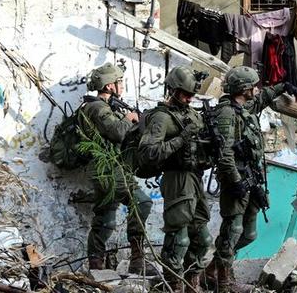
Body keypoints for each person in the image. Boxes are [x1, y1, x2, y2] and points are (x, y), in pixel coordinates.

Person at [204, 66, 297, 292]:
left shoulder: (243, 107)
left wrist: (282, 86)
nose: (256, 89)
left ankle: (212, 270)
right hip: (236, 181)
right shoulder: (227, 113)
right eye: (253, 86)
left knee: (249, 234)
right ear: (244, 89)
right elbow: (224, 153)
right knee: (232, 231)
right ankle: (223, 281)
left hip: (252, 180)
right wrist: (236, 181)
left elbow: (262, 98)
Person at [77, 63, 156, 275]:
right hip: (109, 169)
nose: (122, 86)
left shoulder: (104, 106)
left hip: (107, 168)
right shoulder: (97, 108)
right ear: (110, 85)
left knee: (105, 219)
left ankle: (96, 267)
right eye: (119, 82)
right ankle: (137, 259)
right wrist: (130, 119)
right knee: (142, 202)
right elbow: (118, 132)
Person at [138, 67, 212, 291]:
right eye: (185, 94)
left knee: (202, 239)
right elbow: (148, 153)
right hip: (176, 179)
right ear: (173, 90)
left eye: (192, 95)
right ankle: (172, 286)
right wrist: (181, 139)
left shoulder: (191, 113)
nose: (189, 99)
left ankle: (192, 284)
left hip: (195, 178)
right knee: (178, 240)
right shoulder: (162, 117)